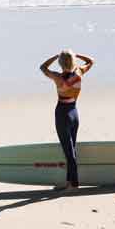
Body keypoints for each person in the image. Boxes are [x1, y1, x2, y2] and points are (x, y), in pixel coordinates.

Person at [39, 49, 94, 189]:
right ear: (74, 62)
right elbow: (91, 61)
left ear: (60, 63)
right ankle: (70, 181)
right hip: (74, 113)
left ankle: (74, 184)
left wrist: (54, 56)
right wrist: (77, 55)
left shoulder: (58, 78)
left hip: (62, 113)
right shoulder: (79, 73)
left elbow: (43, 67)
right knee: (71, 149)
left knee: (68, 152)